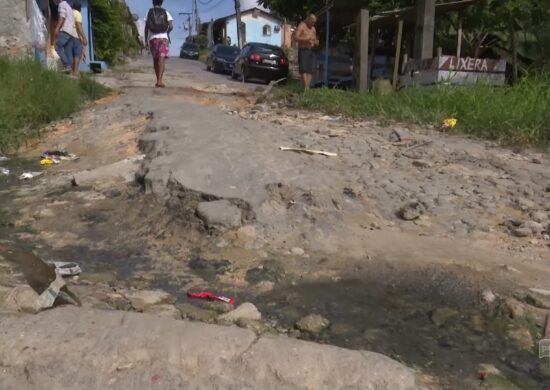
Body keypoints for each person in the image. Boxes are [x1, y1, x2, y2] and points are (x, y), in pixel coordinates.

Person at [145, 0, 173, 88]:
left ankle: (158, 80)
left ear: (153, 3)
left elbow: (146, 27)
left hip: (153, 38)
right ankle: (160, 80)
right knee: (162, 57)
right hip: (163, 38)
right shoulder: (166, 12)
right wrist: (167, 32)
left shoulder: (149, 12)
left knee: (155, 59)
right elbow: (171, 26)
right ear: (161, 3)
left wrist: (146, 40)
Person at [53, 0, 79, 73]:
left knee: (57, 46)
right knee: (68, 51)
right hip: (71, 32)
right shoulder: (68, 6)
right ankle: (70, 70)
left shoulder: (61, 5)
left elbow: (62, 17)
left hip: (65, 30)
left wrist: (57, 28)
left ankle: (67, 65)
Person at [294, 14, 319, 90]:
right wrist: (306, 39)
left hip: (312, 50)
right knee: (304, 68)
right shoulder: (302, 26)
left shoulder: (313, 29)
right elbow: (295, 37)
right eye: (312, 22)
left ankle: (307, 87)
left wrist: (316, 42)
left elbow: (314, 38)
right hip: (303, 49)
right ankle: (305, 87)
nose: (313, 24)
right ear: (308, 20)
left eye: (314, 22)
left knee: (311, 69)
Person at [72, 1, 87, 76]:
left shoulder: (70, 13)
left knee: (71, 54)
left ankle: (72, 71)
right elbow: (79, 27)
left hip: (68, 36)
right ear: (79, 8)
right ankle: (75, 71)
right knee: (77, 54)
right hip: (75, 36)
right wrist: (84, 38)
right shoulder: (78, 14)